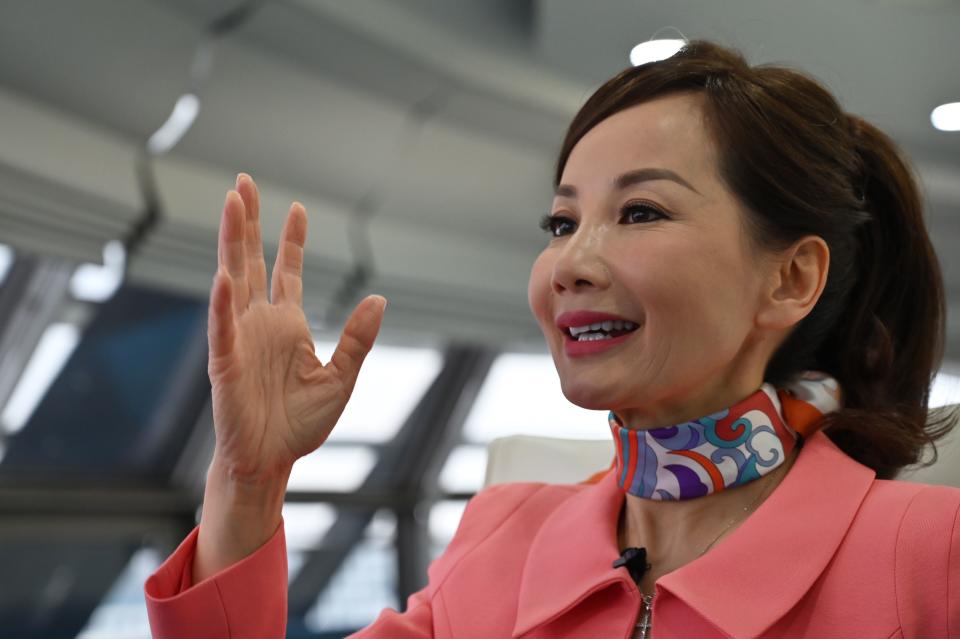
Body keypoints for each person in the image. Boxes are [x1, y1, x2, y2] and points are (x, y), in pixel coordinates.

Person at [144, 40, 960, 638]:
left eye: (640, 212)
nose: (571, 261)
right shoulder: (503, 538)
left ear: (789, 279)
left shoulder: (929, 556)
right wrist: (249, 483)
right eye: (562, 221)